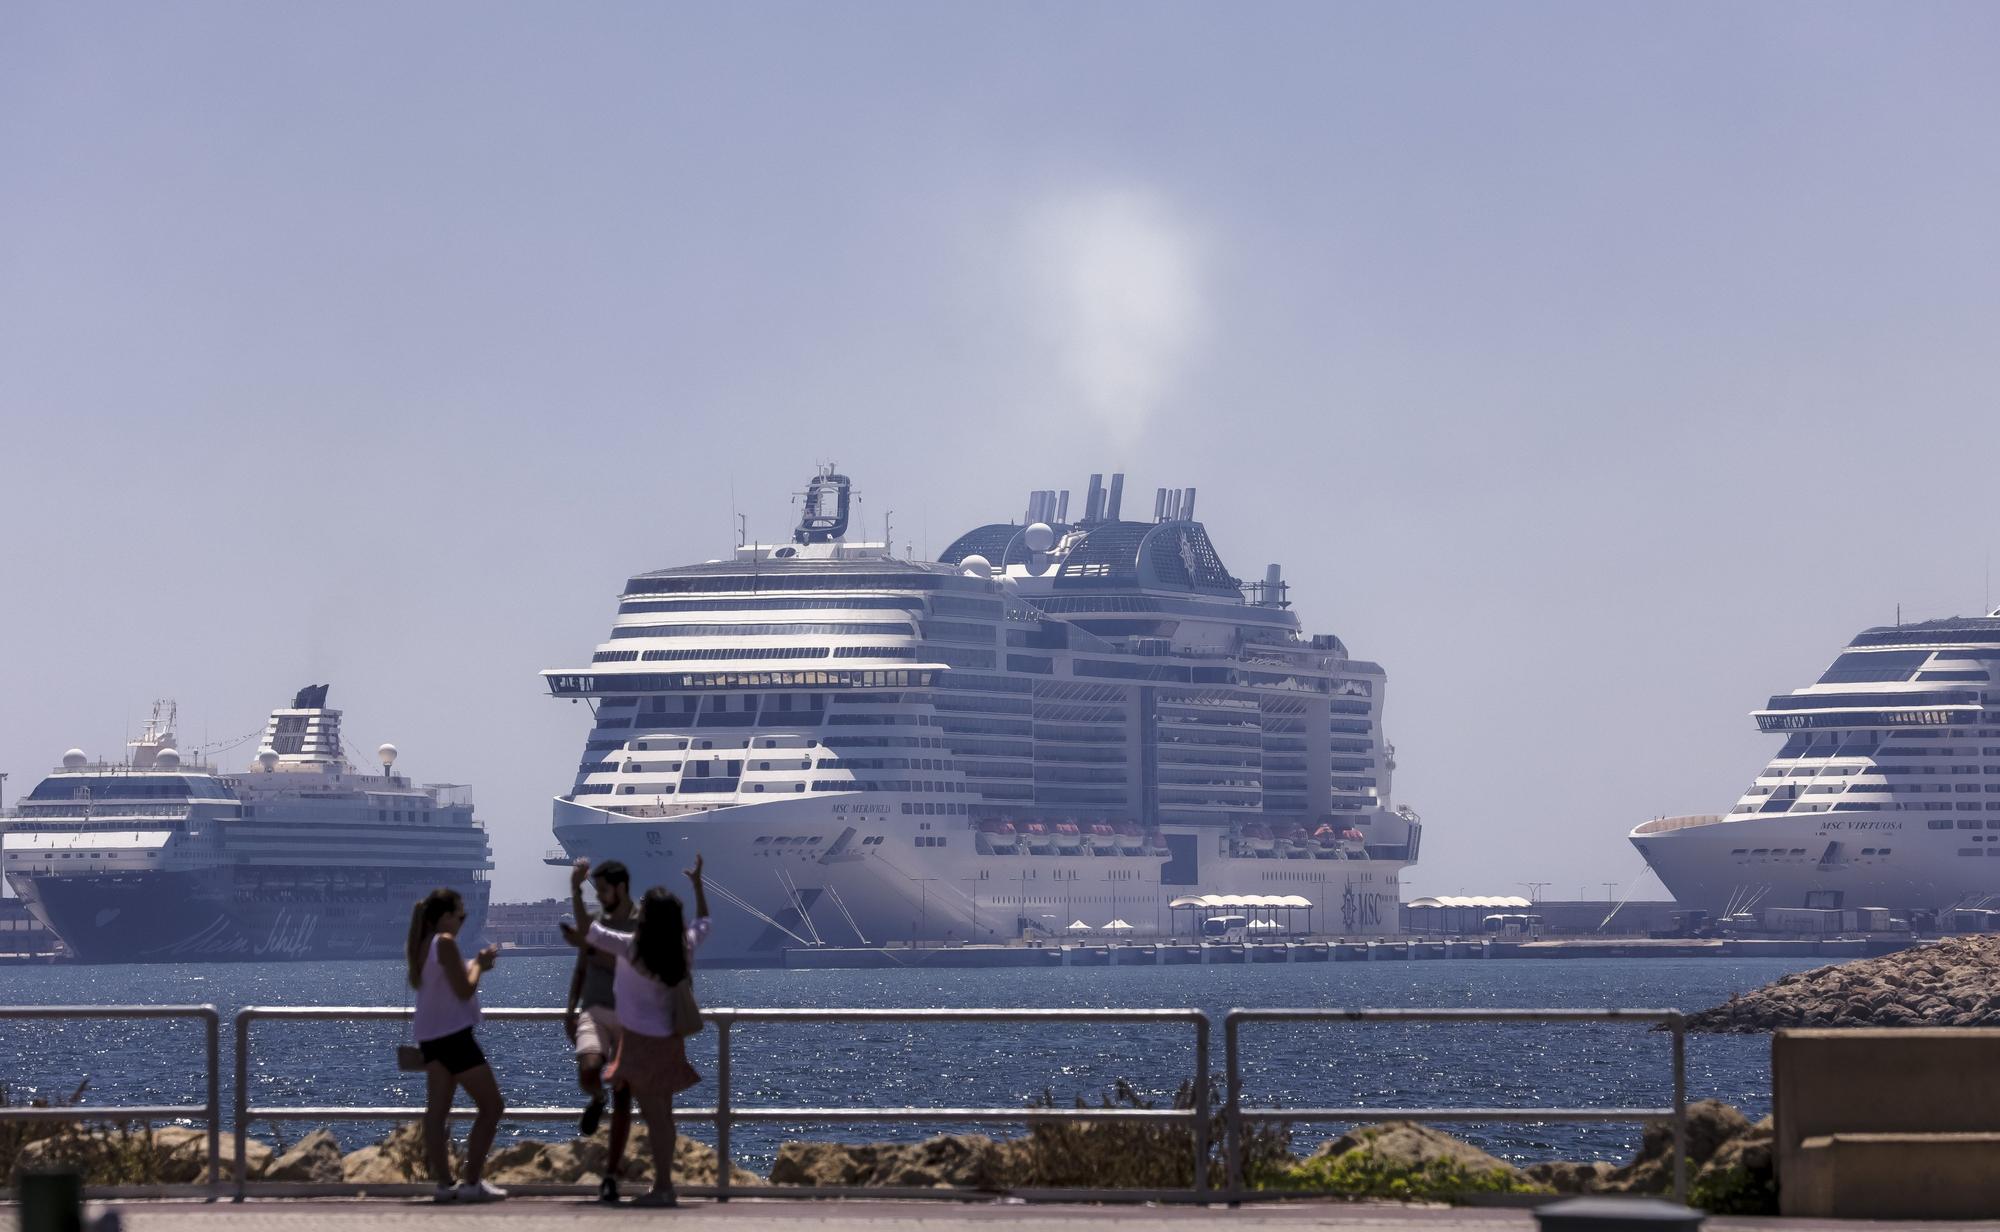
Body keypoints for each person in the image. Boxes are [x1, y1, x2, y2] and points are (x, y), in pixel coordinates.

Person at [561, 855, 710, 1207]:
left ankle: (663, 1189)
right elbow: (704, 922)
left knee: (656, 1119)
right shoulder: (682, 946)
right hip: (671, 1042)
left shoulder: (632, 949)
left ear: (648, 919)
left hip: (640, 1044)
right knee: (664, 1117)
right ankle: (663, 1184)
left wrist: (576, 889)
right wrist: (698, 885)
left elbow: (589, 931)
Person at [406, 887, 506, 1203]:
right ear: (446, 916)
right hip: (454, 1037)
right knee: (492, 1107)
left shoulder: (422, 946)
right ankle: (471, 1182)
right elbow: (465, 990)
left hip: (430, 1038)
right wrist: (479, 963)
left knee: (436, 1113)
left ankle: (444, 1184)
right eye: (460, 914)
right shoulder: (445, 944)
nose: (464, 920)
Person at [565, 856, 636, 1203]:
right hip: (593, 1009)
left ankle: (611, 1172)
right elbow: (580, 968)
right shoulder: (596, 924)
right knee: (590, 1070)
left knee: (625, 1095)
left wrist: (597, 953)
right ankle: (596, 1097)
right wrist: (569, 1010)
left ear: (620, 888)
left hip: (629, 1016)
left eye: (604, 890)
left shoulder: (640, 925)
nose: (602, 896)